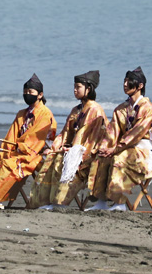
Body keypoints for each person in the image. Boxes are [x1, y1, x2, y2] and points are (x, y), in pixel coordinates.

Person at [0, 74, 57, 210]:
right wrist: (7, 149)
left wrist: (19, 147)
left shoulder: (45, 114)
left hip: (37, 153)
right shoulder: (21, 113)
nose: (27, 94)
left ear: (40, 95)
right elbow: (11, 135)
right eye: (25, 92)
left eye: (30, 92)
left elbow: (36, 139)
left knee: (9, 165)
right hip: (18, 150)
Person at [29, 70, 108, 210]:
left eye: (78, 87)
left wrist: (74, 150)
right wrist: (55, 147)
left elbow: (92, 138)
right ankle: (43, 202)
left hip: (88, 153)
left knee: (62, 160)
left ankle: (59, 202)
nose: (75, 90)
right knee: (52, 157)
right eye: (74, 87)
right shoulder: (75, 110)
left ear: (89, 88)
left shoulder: (95, 110)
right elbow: (65, 132)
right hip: (72, 149)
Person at [85, 66, 152, 211]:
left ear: (140, 86)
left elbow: (137, 133)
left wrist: (116, 149)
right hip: (123, 147)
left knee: (119, 158)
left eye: (129, 81)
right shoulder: (121, 108)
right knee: (102, 157)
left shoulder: (148, 108)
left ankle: (119, 203)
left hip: (143, 151)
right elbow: (112, 131)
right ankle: (101, 202)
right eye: (124, 81)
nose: (125, 84)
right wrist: (105, 148)